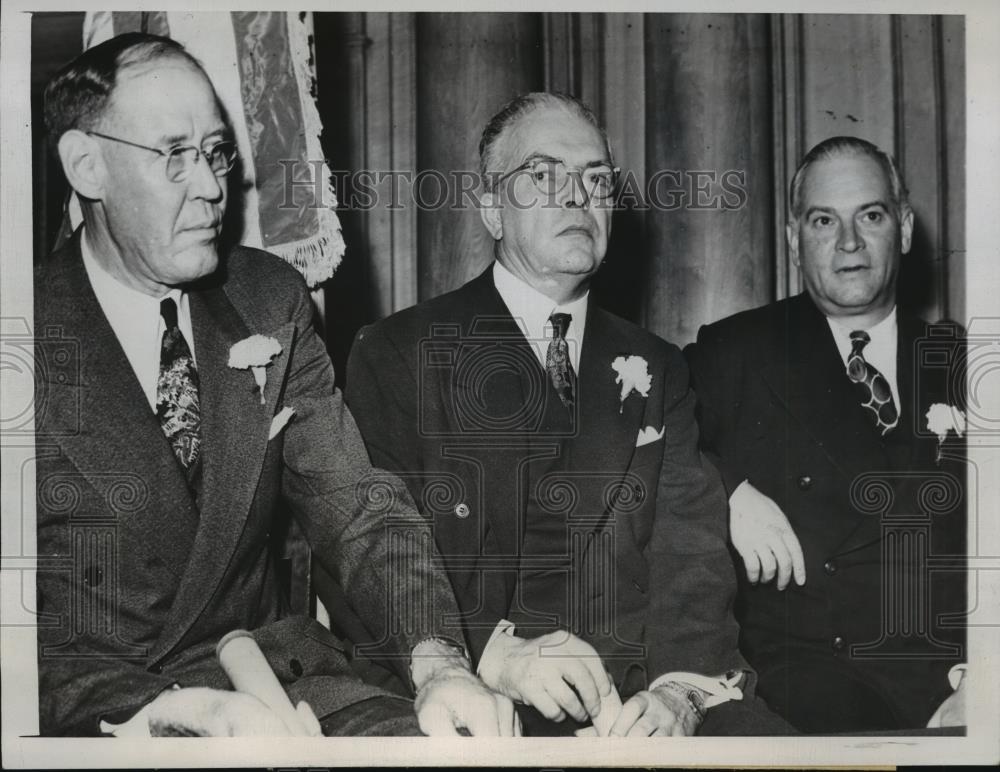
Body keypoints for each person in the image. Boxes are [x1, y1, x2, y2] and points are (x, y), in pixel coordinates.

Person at [34, 32, 516, 738]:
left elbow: (356, 506)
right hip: (97, 712)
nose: (211, 187)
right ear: (87, 166)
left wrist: (439, 662)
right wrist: (156, 710)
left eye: (216, 152)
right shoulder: (23, 331)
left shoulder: (267, 299)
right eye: (174, 155)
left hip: (271, 682)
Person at [345, 92, 790, 736]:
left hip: (636, 699)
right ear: (491, 206)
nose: (576, 196)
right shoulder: (400, 352)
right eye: (544, 175)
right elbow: (372, 554)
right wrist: (493, 657)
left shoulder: (657, 365)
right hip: (475, 688)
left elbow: (689, 557)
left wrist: (677, 697)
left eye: (594, 178)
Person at [684, 136, 967, 733]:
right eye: (823, 220)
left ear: (906, 229)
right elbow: (647, 442)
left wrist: (987, 678)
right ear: (793, 239)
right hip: (809, 690)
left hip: (955, 681)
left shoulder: (961, 360)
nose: (849, 243)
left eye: (871, 215)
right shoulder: (737, 352)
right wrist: (728, 489)